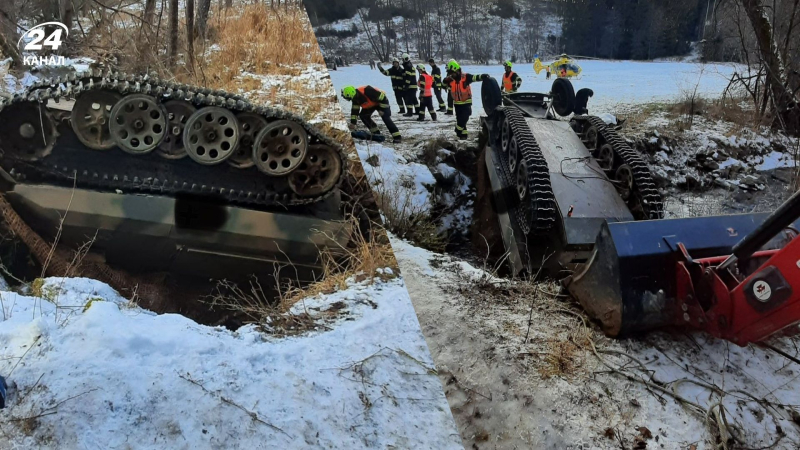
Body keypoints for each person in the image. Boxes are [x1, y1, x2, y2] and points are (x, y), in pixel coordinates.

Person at [441, 61, 490, 140]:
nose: (451, 75)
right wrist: (444, 82)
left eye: (452, 73)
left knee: (464, 118)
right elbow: (443, 85)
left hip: (466, 103)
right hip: (457, 104)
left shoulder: (465, 77)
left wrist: (483, 76)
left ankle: (458, 130)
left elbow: (475, 77)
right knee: (460, 119)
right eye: (449, 73)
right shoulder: (449, 80)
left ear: (456, 70)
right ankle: (463, 136)